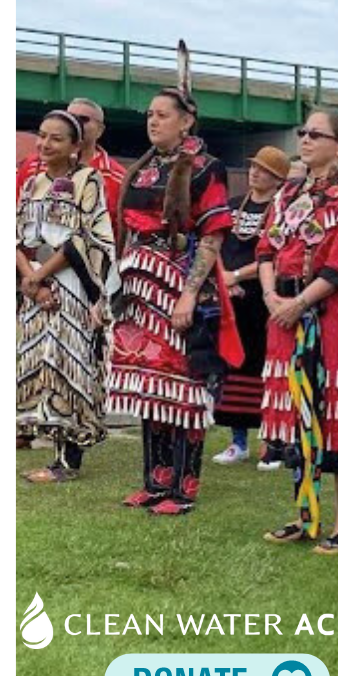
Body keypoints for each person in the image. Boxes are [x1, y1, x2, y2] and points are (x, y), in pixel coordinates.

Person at [105, 43, 244, 516]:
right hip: (139, 287)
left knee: (183, 387)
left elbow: (211, 236)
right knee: (149, 384)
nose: (153, 121)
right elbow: (127, 232)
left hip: (180, 285)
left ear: (186, 120)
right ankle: (154, 479)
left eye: (163, 114)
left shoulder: (205, 168)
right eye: (149, 114)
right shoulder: (143, 170)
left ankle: (183, 487)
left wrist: (188, 296)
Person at [259, 107, 338, 556]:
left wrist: (299, 302)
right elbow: (267, 247)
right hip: (284, 316)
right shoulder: (287, 193)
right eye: (302, 132)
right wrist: (273, 297)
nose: (305, 140)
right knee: (295, 411)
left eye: (315, 134)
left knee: (336, 416)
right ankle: (304, 514)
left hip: (330, 318)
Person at [15, 109, 122, 481]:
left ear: (76, 146)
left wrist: (41, 276)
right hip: (36, 286)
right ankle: (52, 449)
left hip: (72, 283)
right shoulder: (32, 183)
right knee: (41, 365)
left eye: (56, 138)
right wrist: (31, 278)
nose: (44, 144)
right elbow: (17, 235)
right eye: (41, 136)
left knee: (68, 363)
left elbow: (83, 237)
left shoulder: (86, 179)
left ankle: (68, 460)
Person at [211, 146, 290, 465]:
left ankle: (271, 442)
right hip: (231, 299)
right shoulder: (231, 206)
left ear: (278, 179)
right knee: (233, 365)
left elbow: (276, 255)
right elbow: (212, 242)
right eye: (254, 167)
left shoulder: (282, 211)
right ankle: (238, 441)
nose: (255, 173)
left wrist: (238, 276)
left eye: (264, 170)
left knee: (267, 369)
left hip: (264, 300)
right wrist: (223, 278)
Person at [16, 97, 128, 240]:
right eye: (69, 117)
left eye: (84, 119)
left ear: (100, 130)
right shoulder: (32, 165)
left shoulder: (118, 178)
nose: (74, 122)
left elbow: (119, 233)